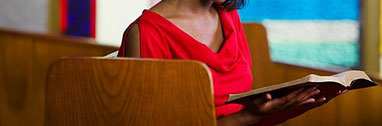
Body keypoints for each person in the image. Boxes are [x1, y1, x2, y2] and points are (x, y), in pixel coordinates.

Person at [118, 0, 345, 125]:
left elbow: (239, 109)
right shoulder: (146, 33)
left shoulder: (227, 16)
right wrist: (249, 116)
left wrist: (288, 106)